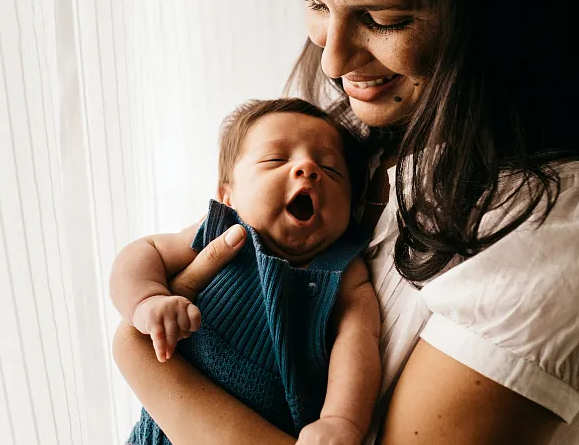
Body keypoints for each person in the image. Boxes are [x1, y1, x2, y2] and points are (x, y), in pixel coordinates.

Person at [111, 0, 579, 443]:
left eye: (385, 19)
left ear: (499, 18)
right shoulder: (355, 136)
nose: (333, 60)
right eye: (316, 2)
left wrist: (143, 360)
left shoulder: (552, 212)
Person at [110, 99, 380, 444]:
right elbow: (142, 252)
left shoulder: (344, 270)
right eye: (276, 159)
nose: (308, 168)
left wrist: (340, 420)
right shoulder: (220, 232)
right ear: (228, 196)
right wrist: (147, 300)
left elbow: (358, 342)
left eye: (331, 169)